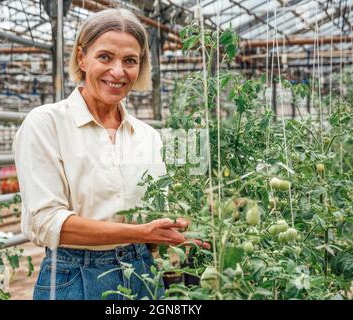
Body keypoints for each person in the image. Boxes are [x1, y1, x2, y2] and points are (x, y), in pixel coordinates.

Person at [12, 8, 208, 300]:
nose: (118, 71)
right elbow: (46, 223)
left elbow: (153, 218)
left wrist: (181, 234)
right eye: (105, 57)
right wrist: (141, 233)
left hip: (143, 270)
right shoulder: (46, 123)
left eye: (130, 61)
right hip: (75, 276)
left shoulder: (147, 135)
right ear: (82, 58)